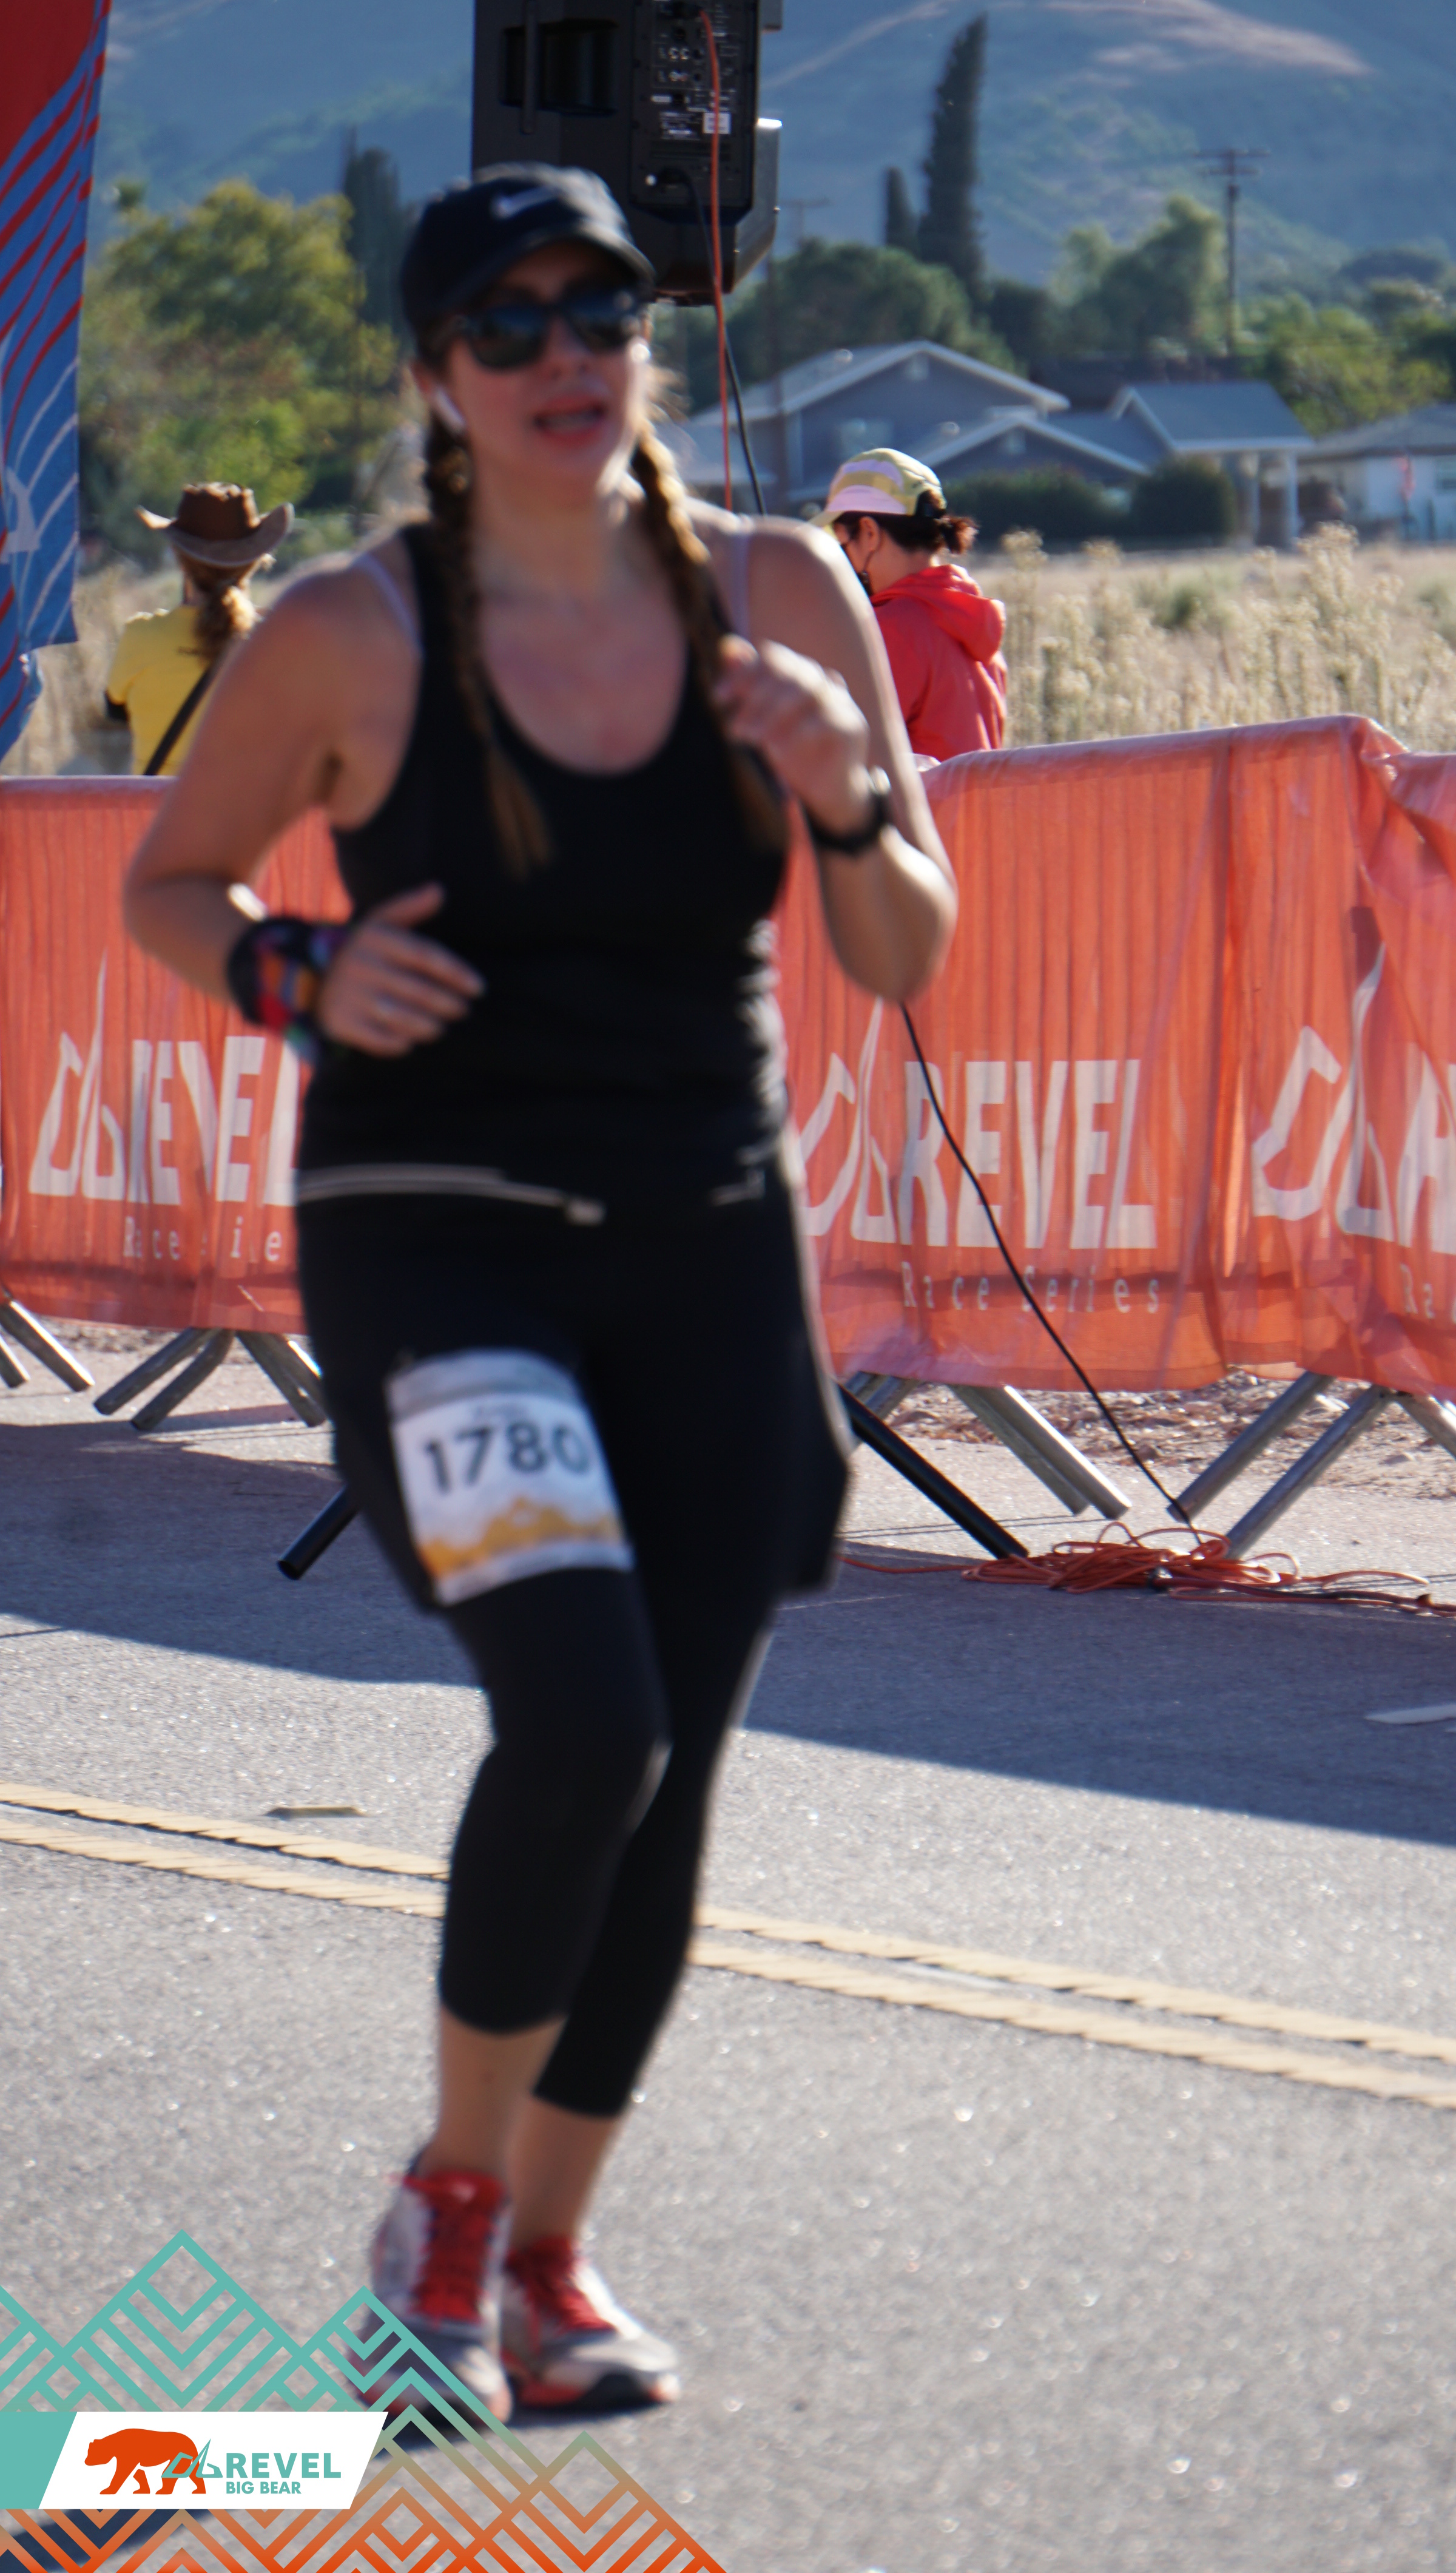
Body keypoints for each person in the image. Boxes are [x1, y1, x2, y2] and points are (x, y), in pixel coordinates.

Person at [123, 164, 956, 2422]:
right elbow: (173, 883)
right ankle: (450, 2214)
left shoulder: (777, 588)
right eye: (508, 324)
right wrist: (297, 971)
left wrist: (847, 795)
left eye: (600, 312)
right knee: (584, 1718)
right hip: (444, 1239)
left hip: (706, 1236)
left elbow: (899, 945)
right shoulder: (351, 631)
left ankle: (549, 2265)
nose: (566, 356)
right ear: (436, 379)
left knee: (668, 1775)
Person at [822, 448, 1007, 762]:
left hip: (917, 797)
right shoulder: (971, 620)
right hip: (972, 798)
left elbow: (844, 755)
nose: (843, 558)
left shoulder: (891, 629)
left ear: (869, 533)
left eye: (843, 543)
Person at [104, 484, 292, 777]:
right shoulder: (276, 643)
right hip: (240, 805)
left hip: (158, 805)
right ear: (255, 562)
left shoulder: (140, 637)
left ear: (179, 557)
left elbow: (116, 711)